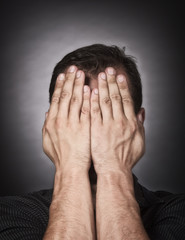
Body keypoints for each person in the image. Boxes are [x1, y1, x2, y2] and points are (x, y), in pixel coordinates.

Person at [0, 44, 184, 240]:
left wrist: (112, 170)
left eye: (108, 113)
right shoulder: (9, 213)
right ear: (52, 124)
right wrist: (72, 168)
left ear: (138, 123)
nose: (91, 129)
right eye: (77, 113)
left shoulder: (177, 213)